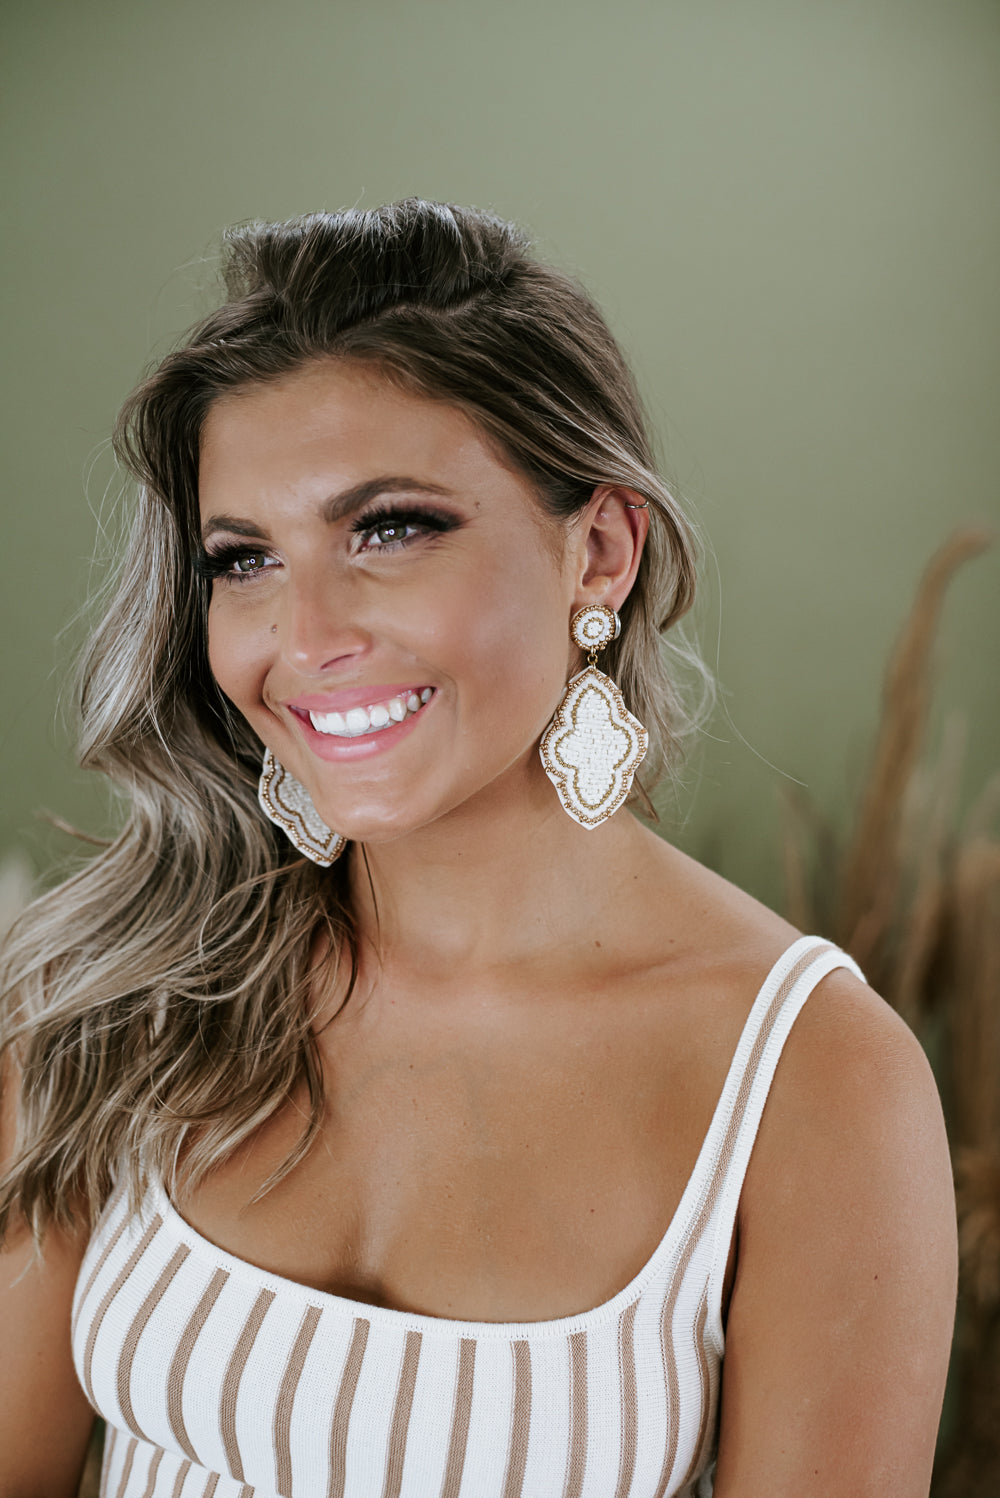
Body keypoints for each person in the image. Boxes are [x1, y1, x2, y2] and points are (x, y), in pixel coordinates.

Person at [0, 200, 956, 1498]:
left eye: (390, 527)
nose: (306, 635)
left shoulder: (814, 1081)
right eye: (245, 559)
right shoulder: (115, 993)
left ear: (599, 551)